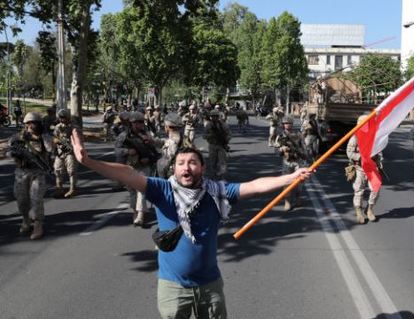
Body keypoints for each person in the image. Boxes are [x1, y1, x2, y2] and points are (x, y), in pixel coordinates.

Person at [69, 128, 312, 319]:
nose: (187, 167)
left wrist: (291, 177)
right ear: (173, 169)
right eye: (181, 163)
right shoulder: (163, 190)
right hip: (174, 289)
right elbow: (128, 173)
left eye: (193, 162)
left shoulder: (217, 191)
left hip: (210, 286)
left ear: (202, 168)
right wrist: (90, 161)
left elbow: (255, 186)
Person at [6, 112, 54, 240]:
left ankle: (38, 224)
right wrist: (15, 154)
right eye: (28, 123)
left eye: (33, 123)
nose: (30, 126)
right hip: (21, 172)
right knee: (21, 200)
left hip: (38, 172)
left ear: (38, 124)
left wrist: (43, 135)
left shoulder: (44, 136)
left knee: (36, 199)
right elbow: (8, 150)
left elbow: (50, 149)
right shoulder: (19, 137)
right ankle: (25, 220)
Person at [115, 111, 159, 226]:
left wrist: (148, 158)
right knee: (132, 192)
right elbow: (117, 150)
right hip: (129, 167)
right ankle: (135, 212)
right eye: (136, 122)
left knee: (141, 190)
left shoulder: (148, 135)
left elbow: (155, 152)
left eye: (141, 122)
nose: (139, 124)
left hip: (144, 167)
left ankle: (140, 215)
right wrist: (128, 151)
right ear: (131, 124)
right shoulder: (124, 136)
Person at [346, 115, 381, 224]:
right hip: (359, 167)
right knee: (359, 190)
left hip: (371, 168)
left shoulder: (373, 137)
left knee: (376, 188)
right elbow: (349, 153)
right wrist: (361, 157)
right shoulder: (355, 137)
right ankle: (359, 211)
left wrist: (379, 163)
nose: (366, 126)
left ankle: (369, 209)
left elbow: (379, 152)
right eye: (364, 124)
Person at [274, 116, 308, 211]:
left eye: (289, 123)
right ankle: (287, 201)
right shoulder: (280, 136)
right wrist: (282, 149)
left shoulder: (298, 134)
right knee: (286, 182)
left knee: (299, 181)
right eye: (285, 123)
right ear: (283, 125)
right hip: (287, 162)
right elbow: (276, 150)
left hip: (298, 161)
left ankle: (298, 198)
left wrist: (305, 156)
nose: (287, 125)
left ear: (292, 124)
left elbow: (304, 147)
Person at [53, 109, 78, 198]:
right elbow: (54, 138)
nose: (62, 119)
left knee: (71, 171)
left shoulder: (73, 127)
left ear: (68, 117)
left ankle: (72, 189)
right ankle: (59, 189)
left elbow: (78, 140)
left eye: (63, 117)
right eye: (60, 117)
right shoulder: (57, 127)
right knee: (57, 170)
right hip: (60, 152)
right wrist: (57, 142)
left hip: (70, 152)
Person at [204, 109, 231, 180]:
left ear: (218, 116)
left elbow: (228, 134)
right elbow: (204, 135)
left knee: (222, 163)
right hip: (212, 145)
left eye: (216, 116)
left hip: (221, 146)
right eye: (213, 116)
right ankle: (213, 178)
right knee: (213, 163)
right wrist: (211, 136)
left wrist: (226, 142)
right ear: (211, 117)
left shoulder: (223, 124)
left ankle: (222, 178)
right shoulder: (209, 125)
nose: (214, 118)